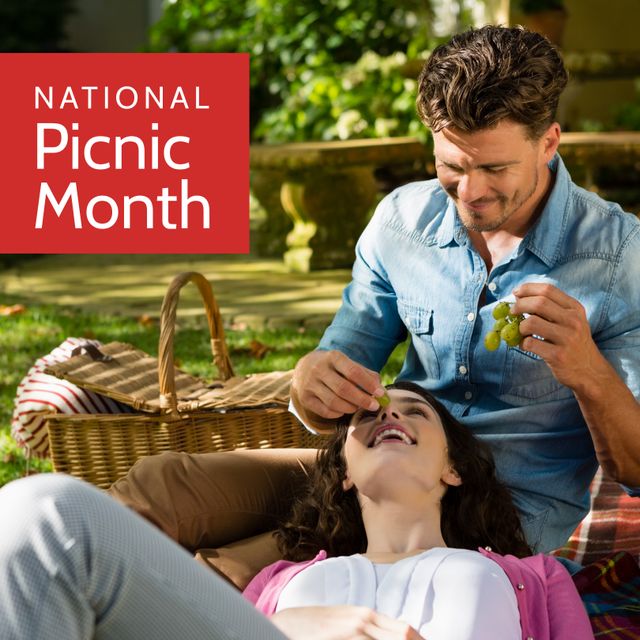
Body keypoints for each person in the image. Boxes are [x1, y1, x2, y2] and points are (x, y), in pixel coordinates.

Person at [290, 25, 640, 554]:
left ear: (548, 143)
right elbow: (334, 382)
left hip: (496, 522)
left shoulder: (618, 257)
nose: (470, 193)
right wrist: (308, 385)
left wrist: (587, 369)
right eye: (451, 167)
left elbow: (635, 469)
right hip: (370, 485)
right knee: (171, 486)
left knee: (232, 572)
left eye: (495, 168)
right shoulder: (400, 223)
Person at [0, 383, 593, 639]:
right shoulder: (282, 581)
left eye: (415, 413)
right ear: (340, 475)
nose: (389, 415)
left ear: (453, 469)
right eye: (368, 417)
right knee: (41, 511)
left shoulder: (532, 577)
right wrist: (275, 629)